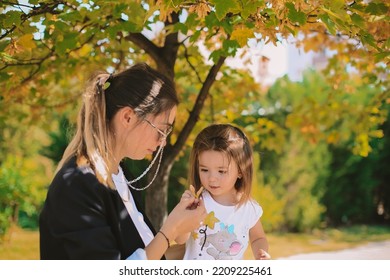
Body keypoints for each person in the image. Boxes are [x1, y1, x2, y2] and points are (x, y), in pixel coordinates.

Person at [39, 63, 206, 260]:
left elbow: (144, 254)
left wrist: (202, 245)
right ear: (127, 117)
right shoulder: (77, 185)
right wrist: (169, 231)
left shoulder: (121, 176)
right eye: (162, 130)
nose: (163, 142)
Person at [177, 124, 271, 260]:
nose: (212, 178)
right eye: (204, 170)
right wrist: (185, 214)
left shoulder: (248, 208)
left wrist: (261, 252)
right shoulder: (197, 202)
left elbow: (258, 237)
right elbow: (180, 240)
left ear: (240, 170)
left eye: (221, 171)